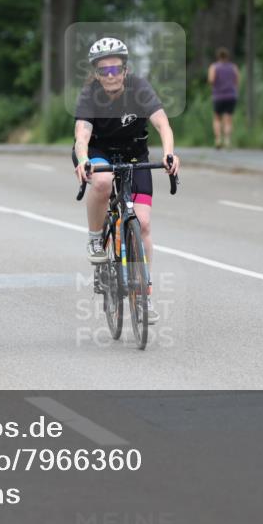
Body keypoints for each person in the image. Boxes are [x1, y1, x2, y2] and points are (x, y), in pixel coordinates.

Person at [73, 37, 180, 325]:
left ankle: (143, 297)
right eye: (104, 71)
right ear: (96, 73)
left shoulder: (140, 88)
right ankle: (96, 239)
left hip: (134, 155)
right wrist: (83, 159)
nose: (110, 76)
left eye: (115, 69)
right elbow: (82, 136)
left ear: (125, 70)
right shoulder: (89, 95)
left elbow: (163, 124)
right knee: (104, 181)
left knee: (142, 224)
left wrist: (169, 154)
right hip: (97, 153)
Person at [208, 47, 240, 149]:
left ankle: (218, 139)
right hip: (231, 96)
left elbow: (211, 80)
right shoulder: (233, 67)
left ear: (218, 56)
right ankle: (227, 140)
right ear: (227, 56)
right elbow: (237, 80)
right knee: (228, 119)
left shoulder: (214, 67)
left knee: (217, 118)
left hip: (218, 96)